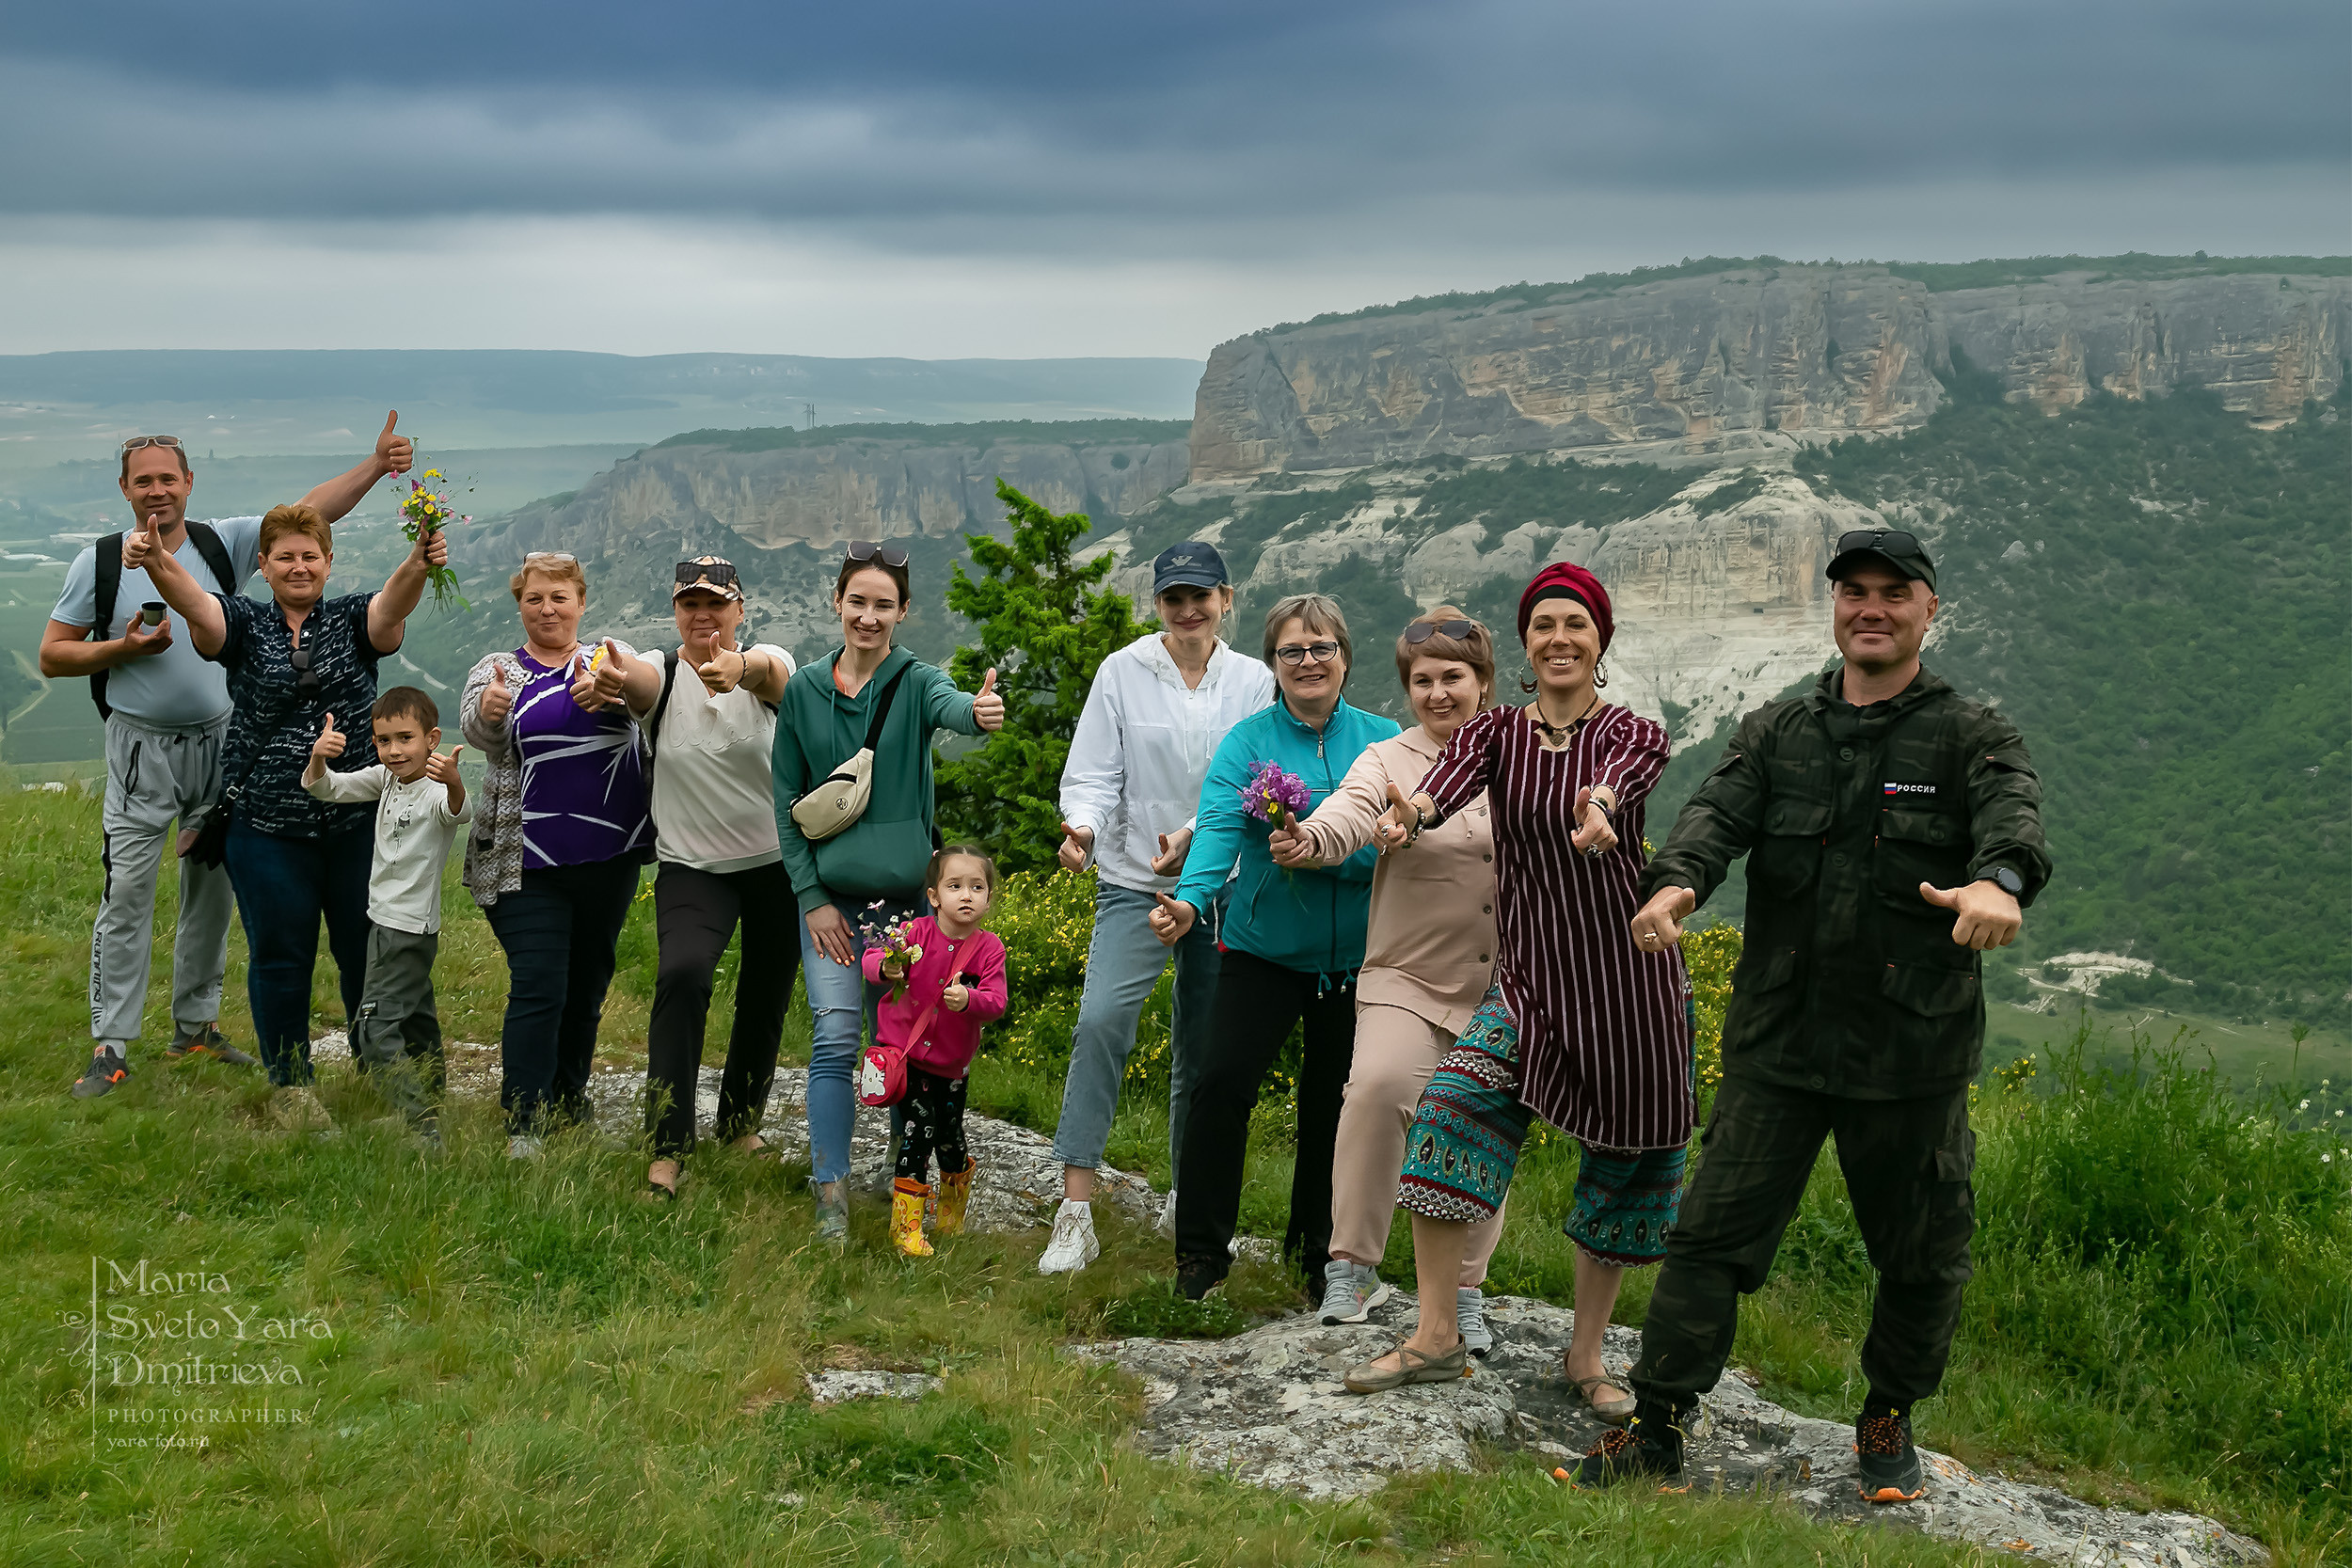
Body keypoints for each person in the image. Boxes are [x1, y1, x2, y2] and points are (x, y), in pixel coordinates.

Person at [1572, 531, 2048, 1502]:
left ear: (1927, 609)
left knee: (1921, 1253)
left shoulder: (1970, 732)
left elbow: (2014, 818)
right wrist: (1675, 888)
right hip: (1779, 1040)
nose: (1870, 607)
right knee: (1706, 1239)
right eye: (1853, 593)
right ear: (1833, 608)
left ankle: (1886, 1419)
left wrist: (1997, 884)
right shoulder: (1778, 728)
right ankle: (1657, 1425)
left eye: (1892, 593)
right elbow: (1715, 816)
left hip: (1908, 1047)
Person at [1351, 563, 1692, 1405]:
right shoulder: (1497, 731)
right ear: (1526, 643)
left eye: (1576, 623)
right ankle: (1435, 1335)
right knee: (1452, 1111)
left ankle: (1586, 1357)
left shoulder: (1632, 732)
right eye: (1543, 625)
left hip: (1629, 988)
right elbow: (1442, 787)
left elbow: (1625, 773)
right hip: (1532, 981)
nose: (1560, 638)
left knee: (1622, 1164)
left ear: (1600, 638)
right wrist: (1409, 816)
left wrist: (1601, 808)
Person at [42, 417, 414, 1099]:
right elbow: (52, 653)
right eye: (143, 480)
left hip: (222, 741)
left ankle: (195, 1025)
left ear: (189, 482)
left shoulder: (221, 542)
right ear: (124, 488)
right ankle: (111, 1042)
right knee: (127, 888)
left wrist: (375, 464)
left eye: (167, 477)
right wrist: (121, 650)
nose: (157, 490)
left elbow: (307, 516)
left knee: (210, 885)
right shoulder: (98, 562)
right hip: (140, 746)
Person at [127, 498, 449, 1132]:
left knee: (370, 954)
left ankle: (384, 1073)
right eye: (284, 557)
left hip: (359, 828)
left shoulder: (354, 619)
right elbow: (197, 605)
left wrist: (417, 560)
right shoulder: (243, 623)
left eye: (310, 556)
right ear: (266, 567)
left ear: (329, 562)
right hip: (268, 829)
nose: (298, 567)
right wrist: (160, 562)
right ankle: (291, 1082)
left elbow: (392, 608)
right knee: (280, 956)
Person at [1151, 594, 1399, 1301]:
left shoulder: (1382, 741)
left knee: (1336, 1106)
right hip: (1261, 951)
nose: (1309, 661)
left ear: (1346, 656)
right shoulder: (1249, 742)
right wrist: (1191, 903)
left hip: (1355, 957)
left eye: (1322, 647)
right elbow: (1220, 834)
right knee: (1220, 1083)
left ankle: (1317, 1254)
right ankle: (1200, 1256)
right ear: (1273, 665)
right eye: (1292, 650)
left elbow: (1393, 847)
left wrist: (1328, 856)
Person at [1267, 608, 1503, 1350]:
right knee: (1376, 1089)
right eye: (1423, 680)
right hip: (1407, 973)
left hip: (1503, 985)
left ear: (1484, 682)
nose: (1438, 693)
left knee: (1479, 1121)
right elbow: (1350, 815)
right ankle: (1354, 1263)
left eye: (1453, 678)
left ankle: (1464, 1289)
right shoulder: (1388, 759)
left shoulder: (1520, 754)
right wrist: (1309, 838)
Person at [1039, 541, 1275, 1274]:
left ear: (1226, 599)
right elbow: (1094, 773)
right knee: (1102, 1020)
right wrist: (1081, 827)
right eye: (1174, 597)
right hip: (1132, 881)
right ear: (1159, 604)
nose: (1188, 609)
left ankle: (1189, 1196)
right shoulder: (1123, 672)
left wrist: (1196, 841)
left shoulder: (1255, 682)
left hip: (1223, 884)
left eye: (1201, 595)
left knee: (1202, 1050)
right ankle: (1074, 1208)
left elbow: (1258, 784)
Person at [771, 542, 1005, 1243]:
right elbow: (785, 798)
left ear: (903, 612)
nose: (868, 617)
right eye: (857, 601)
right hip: (835, 909)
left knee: (910, 1048)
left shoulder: (915, 680)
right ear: (837, 603)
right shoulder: (805, 691)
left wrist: (980, 709)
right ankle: (830, 1189)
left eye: (883, 605)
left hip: (911, 913)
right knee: (838, 1037)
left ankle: (902, 1174)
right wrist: (811, 898)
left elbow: (954, 706)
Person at [459, 553, 653, 1158]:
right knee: (541, 980)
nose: (548, 609)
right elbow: (479, 732)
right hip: (524, 855)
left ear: (581, 602)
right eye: (535, 598)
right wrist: (491, 715)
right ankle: (523, 1117)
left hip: (609, 852)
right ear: (520, 604)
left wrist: (616, 688)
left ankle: (570, 1096)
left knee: (588, 980)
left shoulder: (610, 659)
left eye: (559, 597)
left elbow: (647, 703)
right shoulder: (496, 669)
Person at [628, 557, 799, 1200]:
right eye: (689, 604)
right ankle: (667, 1144)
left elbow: (777, 677)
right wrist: (616, 670)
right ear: (675, 611)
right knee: (682, 974)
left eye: (716, 604)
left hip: (775, 865)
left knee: (765, 991)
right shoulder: (664, 673)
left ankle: (739, 1121)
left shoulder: (766, 662)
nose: (703, 615)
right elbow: (637, 680)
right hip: (692, 867)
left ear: (739, 609)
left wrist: (739, 667)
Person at [300, 687, 471, 1143]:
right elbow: (327, 788)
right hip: (383, 921)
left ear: (432, 739)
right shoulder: (387, 779)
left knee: (375, 1029)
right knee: (415, 1019)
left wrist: (454, 781)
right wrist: (319, 756)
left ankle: (420, 1124)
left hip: (407, 929)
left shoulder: (436, 789)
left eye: (405, 738)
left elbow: (457, 812)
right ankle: (431, 1101)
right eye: (383, 740)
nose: (394, 751)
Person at [866, 847, 1009, 1257]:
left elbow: (997, 1002)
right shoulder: (916, 933)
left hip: (952, 1064)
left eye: (977, 887)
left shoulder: (990, 949)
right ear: (934, 897)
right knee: (919, 1130)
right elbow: (872, 958)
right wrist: (886, 967)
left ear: (988, 897)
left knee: (951, 1138)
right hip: (908, 1058)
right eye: (955, 886)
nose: (966, 895)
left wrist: (970, 999)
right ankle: (906, 1227)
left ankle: (950, 1217)